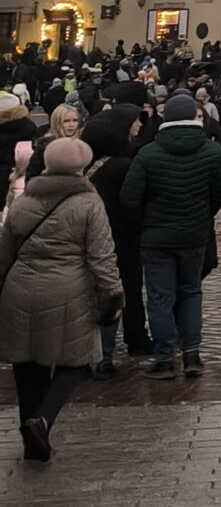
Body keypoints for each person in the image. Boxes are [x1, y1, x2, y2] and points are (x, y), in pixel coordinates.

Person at [0, 132, 121, 461]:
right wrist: (112, 293)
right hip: (69, 291)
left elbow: (5, 252)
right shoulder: (89, 203)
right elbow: (102, 256)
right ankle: (42, 420)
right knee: (76, 361)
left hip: (19, 288)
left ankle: (31, 442)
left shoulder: (24, 200)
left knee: (28, 364)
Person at [121, 90, 221, 379]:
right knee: (191, 292)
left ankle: (164, 358)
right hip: (194, 234)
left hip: (156, 238)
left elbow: (130, 198)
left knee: (159, 297)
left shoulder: (148, 153)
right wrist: (203, 215)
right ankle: (192, 354)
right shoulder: (212, 151)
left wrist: (145, 222)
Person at [84, 108, 148, 371]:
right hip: (120, 237)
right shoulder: (122, 165)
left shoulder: (91, 163)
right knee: (127, 290)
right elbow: (130, 202)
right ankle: (127, 343)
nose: (138, 127)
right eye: (134, 123)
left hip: (99, 237)